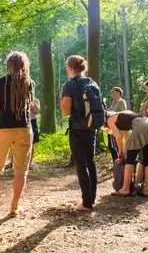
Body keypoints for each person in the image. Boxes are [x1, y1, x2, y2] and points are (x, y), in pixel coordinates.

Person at [0, 51, 35, 218]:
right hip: (24, 129)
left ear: (9, 65)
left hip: (4, 128)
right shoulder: (30, 83)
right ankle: (14, 206)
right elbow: (31, 105)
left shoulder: (1, 82)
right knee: (21, 169)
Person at [60, 55, 98, 212]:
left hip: (77, 129)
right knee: (91, 162)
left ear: (70, 68)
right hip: (92, 127)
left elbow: (65, 111)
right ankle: (92, 198)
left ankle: (86, 203)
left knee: (81, 165)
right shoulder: (91, 82)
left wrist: (61, 97)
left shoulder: (70, 85)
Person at [108, 111, 148, 197]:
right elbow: (128, 139)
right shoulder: (124, 116)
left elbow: (118, 137)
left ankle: (125, 189)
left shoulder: (110, 119)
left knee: (130, 160)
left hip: (141, 128)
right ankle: (146, 190)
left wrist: (120, 152)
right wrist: (122, 154)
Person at [107, 87, 127, 164]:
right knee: (111, 146)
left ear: (118, 93)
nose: (111, 94)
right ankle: (115, 163)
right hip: (110, 127)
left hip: (118, 128)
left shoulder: (122, 102)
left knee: (118, 146)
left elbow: (123, 113)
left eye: (113, 92)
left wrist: (112, 113)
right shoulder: (113, 103)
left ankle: (121, 163)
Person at [29, 99, 40, 169]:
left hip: (33, 121)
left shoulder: (36, 101)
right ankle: (12, 162)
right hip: (22, 121)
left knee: (32, 143)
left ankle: (30, 163)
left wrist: (32, 107)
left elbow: (36, 111)